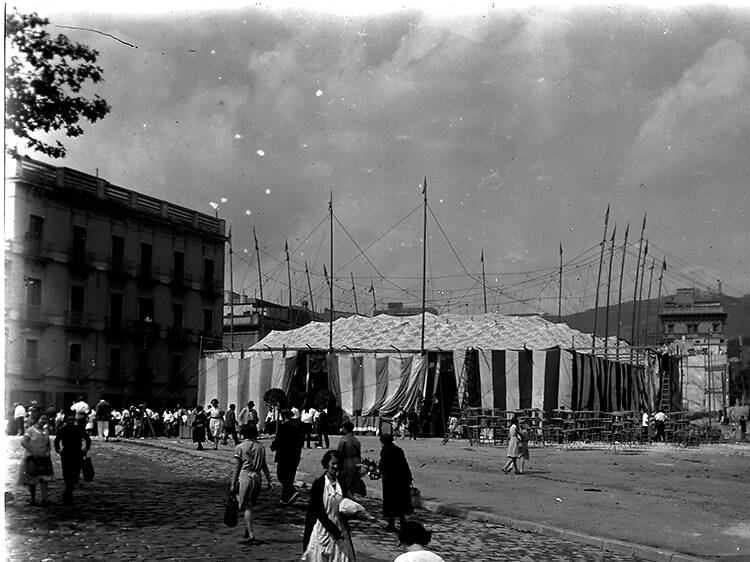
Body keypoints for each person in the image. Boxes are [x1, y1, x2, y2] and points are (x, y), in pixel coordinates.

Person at [302, 450, 355, 562]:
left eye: (338, 464)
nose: (335, 466)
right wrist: (333, 530)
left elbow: (346, 503)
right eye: (333, 463)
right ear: (327, 464)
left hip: (340, 528)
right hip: (323, 529)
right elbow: (318, 511)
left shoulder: (341, 483)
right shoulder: (319, 484)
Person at [231, 424, 273, 545]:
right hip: (257, 476)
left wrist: (233, 483)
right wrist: (269, 480)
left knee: (244, 505)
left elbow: (237, 467)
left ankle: (251, 534)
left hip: (245, 476)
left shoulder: (240, 447)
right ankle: (248, 526)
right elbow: (264, 464)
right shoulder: (261, 447)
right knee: (251, 504)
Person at [54, 412, 91, 506]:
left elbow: (88, 439)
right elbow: (56, 441)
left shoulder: (79, 429)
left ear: (74, 420)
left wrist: (86, 449)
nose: (70, 421)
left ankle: (67, 491)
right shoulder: (63, 430)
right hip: (66, 453)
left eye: (72, 420)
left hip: (77, 453)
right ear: (66, 421)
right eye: (68, 420)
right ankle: (68, 493)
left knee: (75, 475)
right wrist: (58, 450)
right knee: (67, 474)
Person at [379, 433, 413, 532]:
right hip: (401, 479)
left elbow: (383, 465)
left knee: (390, 501)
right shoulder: (398, 450)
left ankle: (391, 524)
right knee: (400, 500)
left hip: (390, 480)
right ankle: (403, 521)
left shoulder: (385, 451)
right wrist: (409, 476)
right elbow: (404, 464)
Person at [19, 414, 54, 506]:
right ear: (37, 419)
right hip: (32, 458)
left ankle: (44, 498)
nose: (44, 421)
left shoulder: (46, 431)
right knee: (32, 479)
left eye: (45, 419)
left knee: (44, 479)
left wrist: (48, 452)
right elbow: (23, 442)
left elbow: (48, 444)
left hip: (44, 458)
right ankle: (33, 498)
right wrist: (32, 451)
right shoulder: (30, 430)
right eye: (42, 418)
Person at [270, 409, 303, 505]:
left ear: (284, 416)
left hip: (284, 456)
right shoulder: (297, 427)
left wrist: (273, 446)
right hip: (295, 456)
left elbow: (279, 440)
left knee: (281, 476)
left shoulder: (283, 427)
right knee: (290, 477)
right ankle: (284, 499)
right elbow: (300, 442)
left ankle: (292, 491)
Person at [337, 421, 365, 497]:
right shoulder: (356, 440)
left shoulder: (344, 439)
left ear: (345, 429)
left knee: (344, 481)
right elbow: (359, 454)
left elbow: (339, 452)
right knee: (353, 481)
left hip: (346, 462)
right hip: (356, 462)